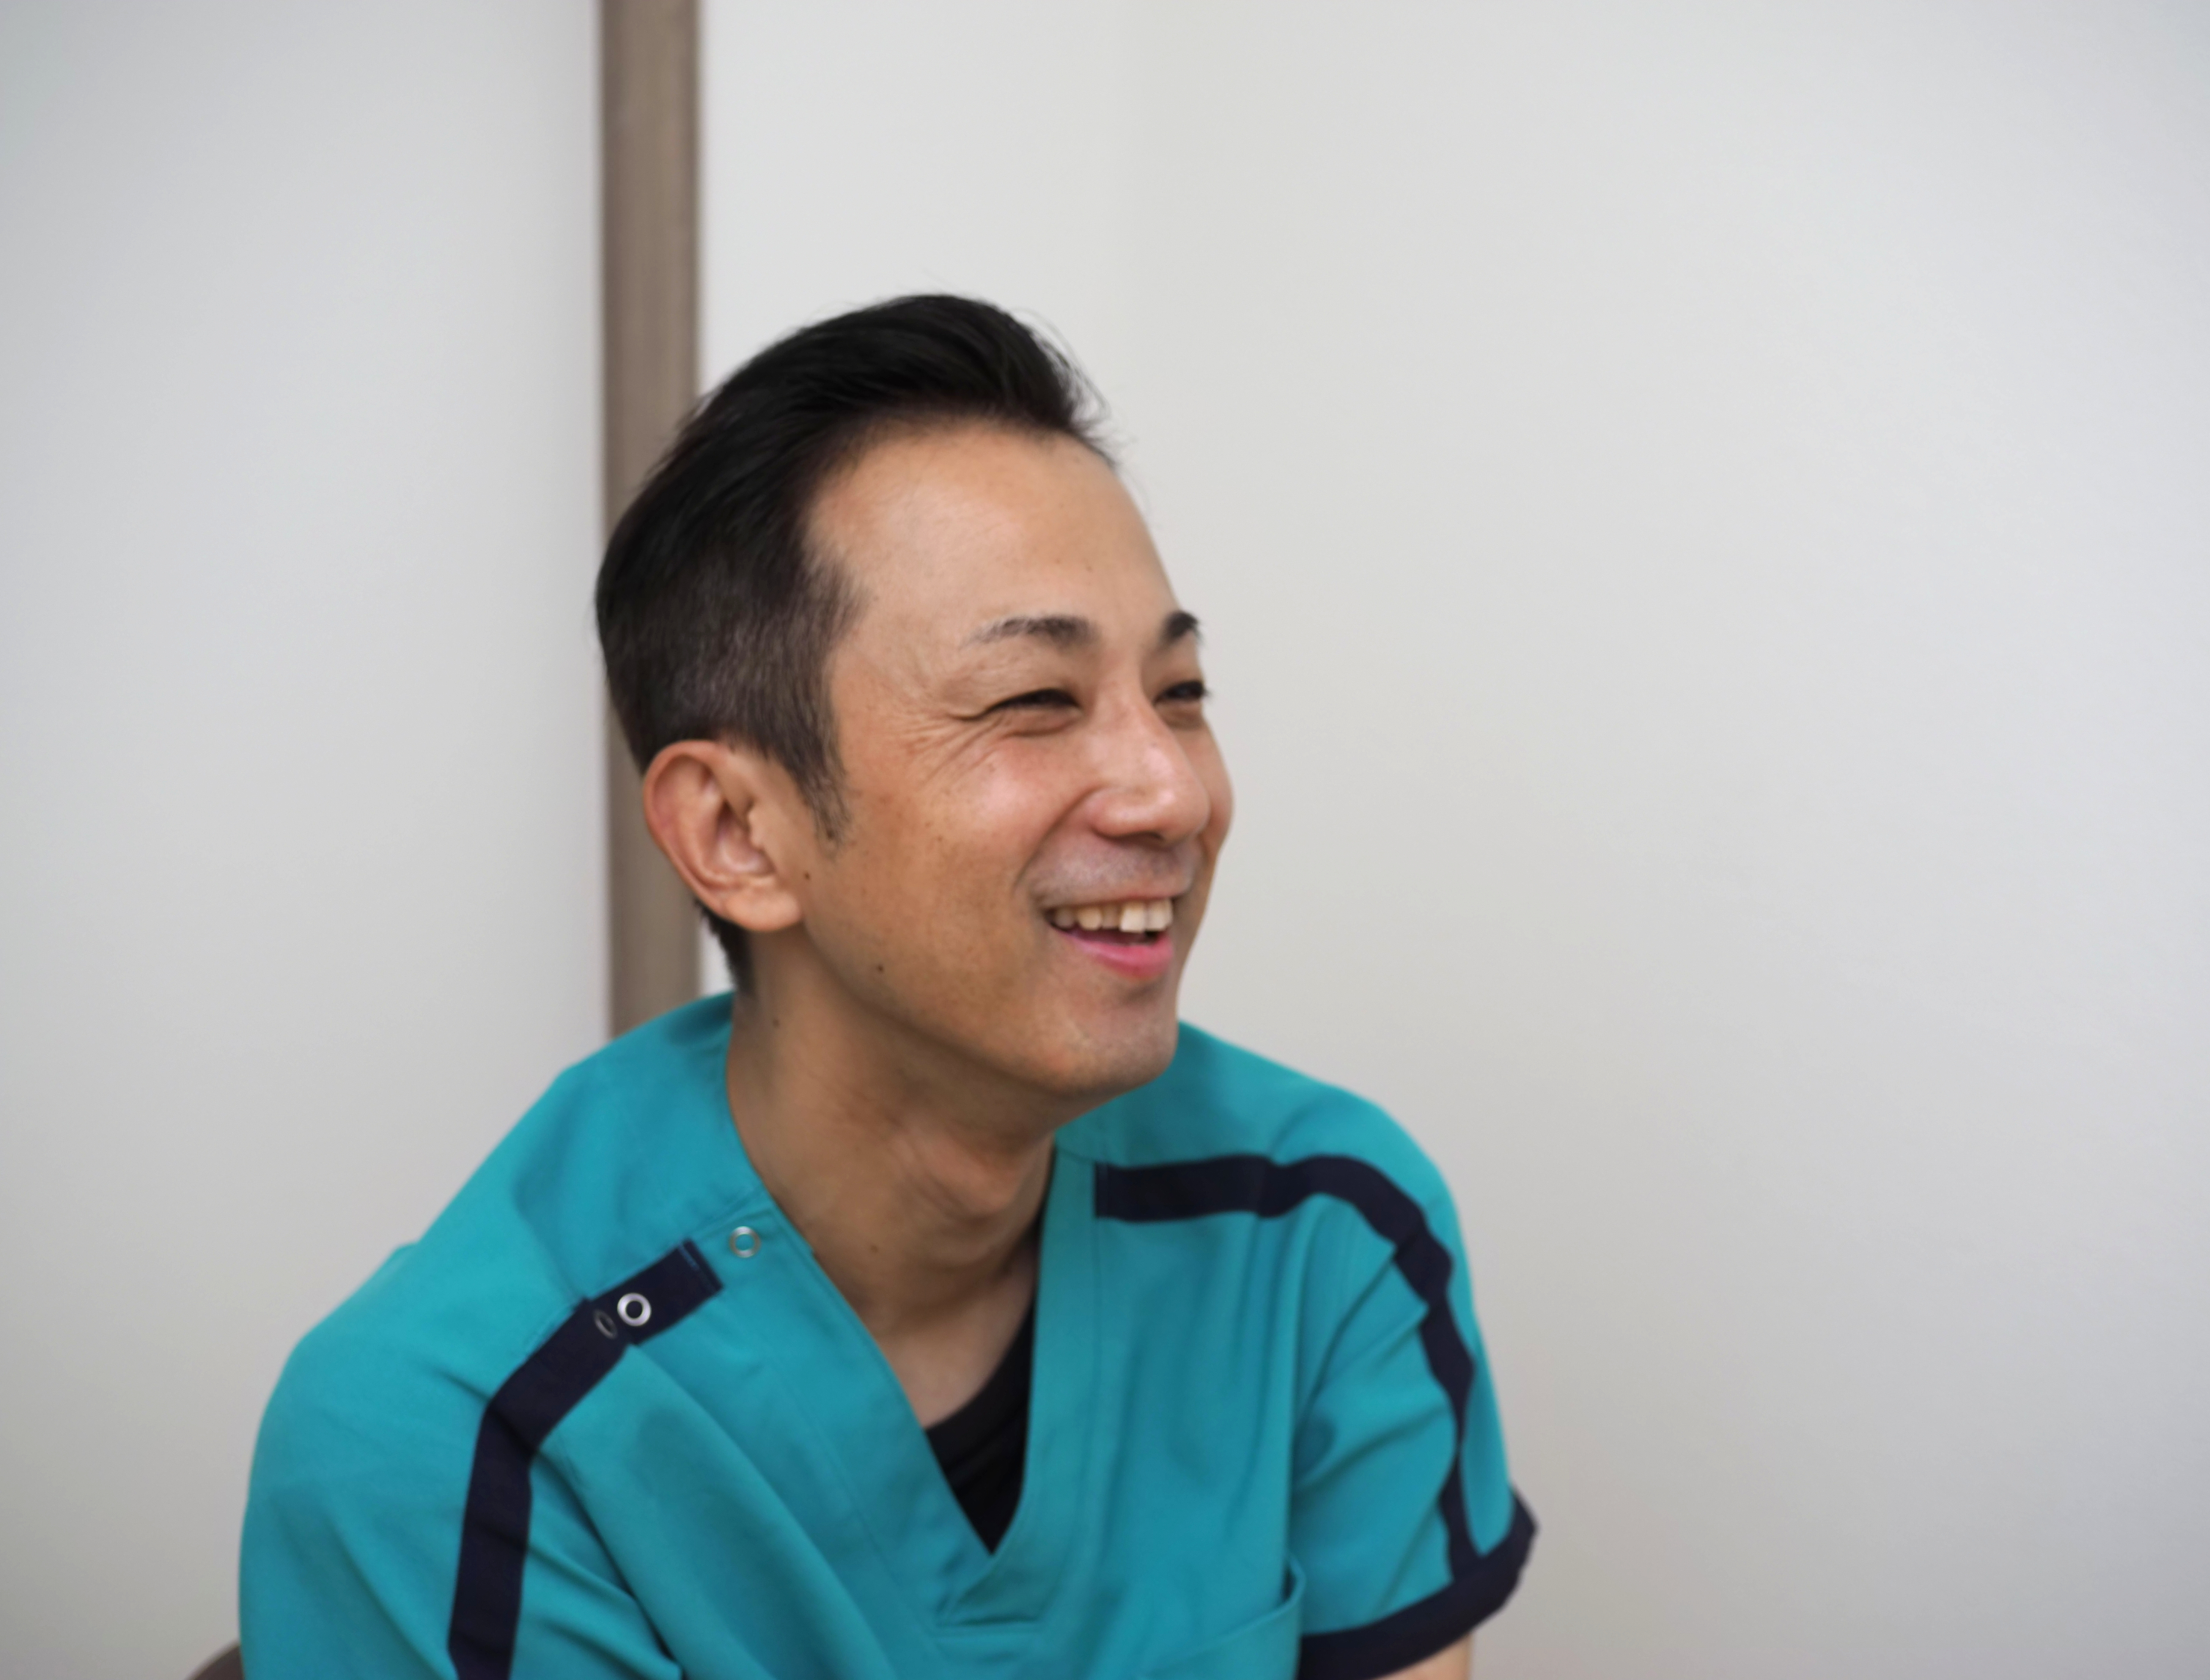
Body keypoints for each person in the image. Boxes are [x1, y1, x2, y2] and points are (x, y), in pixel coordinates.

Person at [240, 296, 1535, 1679]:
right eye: (1033, 700)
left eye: (1180, 691)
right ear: (739, 833)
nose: (1171, 790)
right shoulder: (453, 1439)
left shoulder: (1321, 1226)